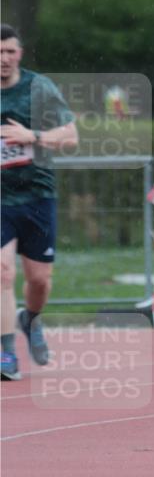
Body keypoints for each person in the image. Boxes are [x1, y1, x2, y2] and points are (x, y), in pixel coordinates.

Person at [1, 25, 78, 380]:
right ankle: (6, 353)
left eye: (10, 52)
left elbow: (71, 137)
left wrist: (30, 136)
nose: (4, 59)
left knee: (40, 280)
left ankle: (30, 320)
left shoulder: (39, 87)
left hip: (37, 195)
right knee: (3, 273)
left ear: (20, 53)